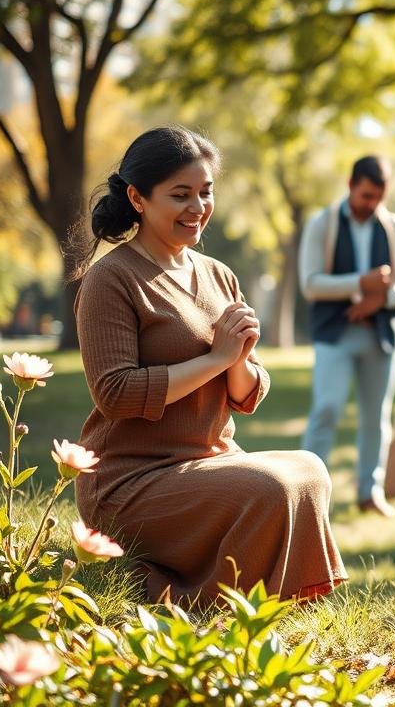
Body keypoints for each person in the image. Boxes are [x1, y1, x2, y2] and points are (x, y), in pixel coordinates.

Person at [71, 126, 346, 606]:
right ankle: (200, 598)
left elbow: (246, 394)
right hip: (131, 481)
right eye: (180, 195)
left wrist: (237, 356)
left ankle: (269, 598)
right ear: (137, 198)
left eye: (205, 192)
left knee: (310, 470)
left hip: (210, 461)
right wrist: (216, 357)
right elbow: (115, 393)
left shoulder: (218, 274)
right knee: (270, 489)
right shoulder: (110, 279)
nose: (197, 207)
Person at [298, 155, 395, 517]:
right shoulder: (322, 223)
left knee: (376, 417)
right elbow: (310, 284)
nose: (372, 204)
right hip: (334, 334)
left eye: (379, 197)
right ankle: (305, 494)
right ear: (350, 185)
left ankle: (370, 492)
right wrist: (360, 284)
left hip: (381, 336)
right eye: (366, 195)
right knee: (326, 409)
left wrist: (383, 298)